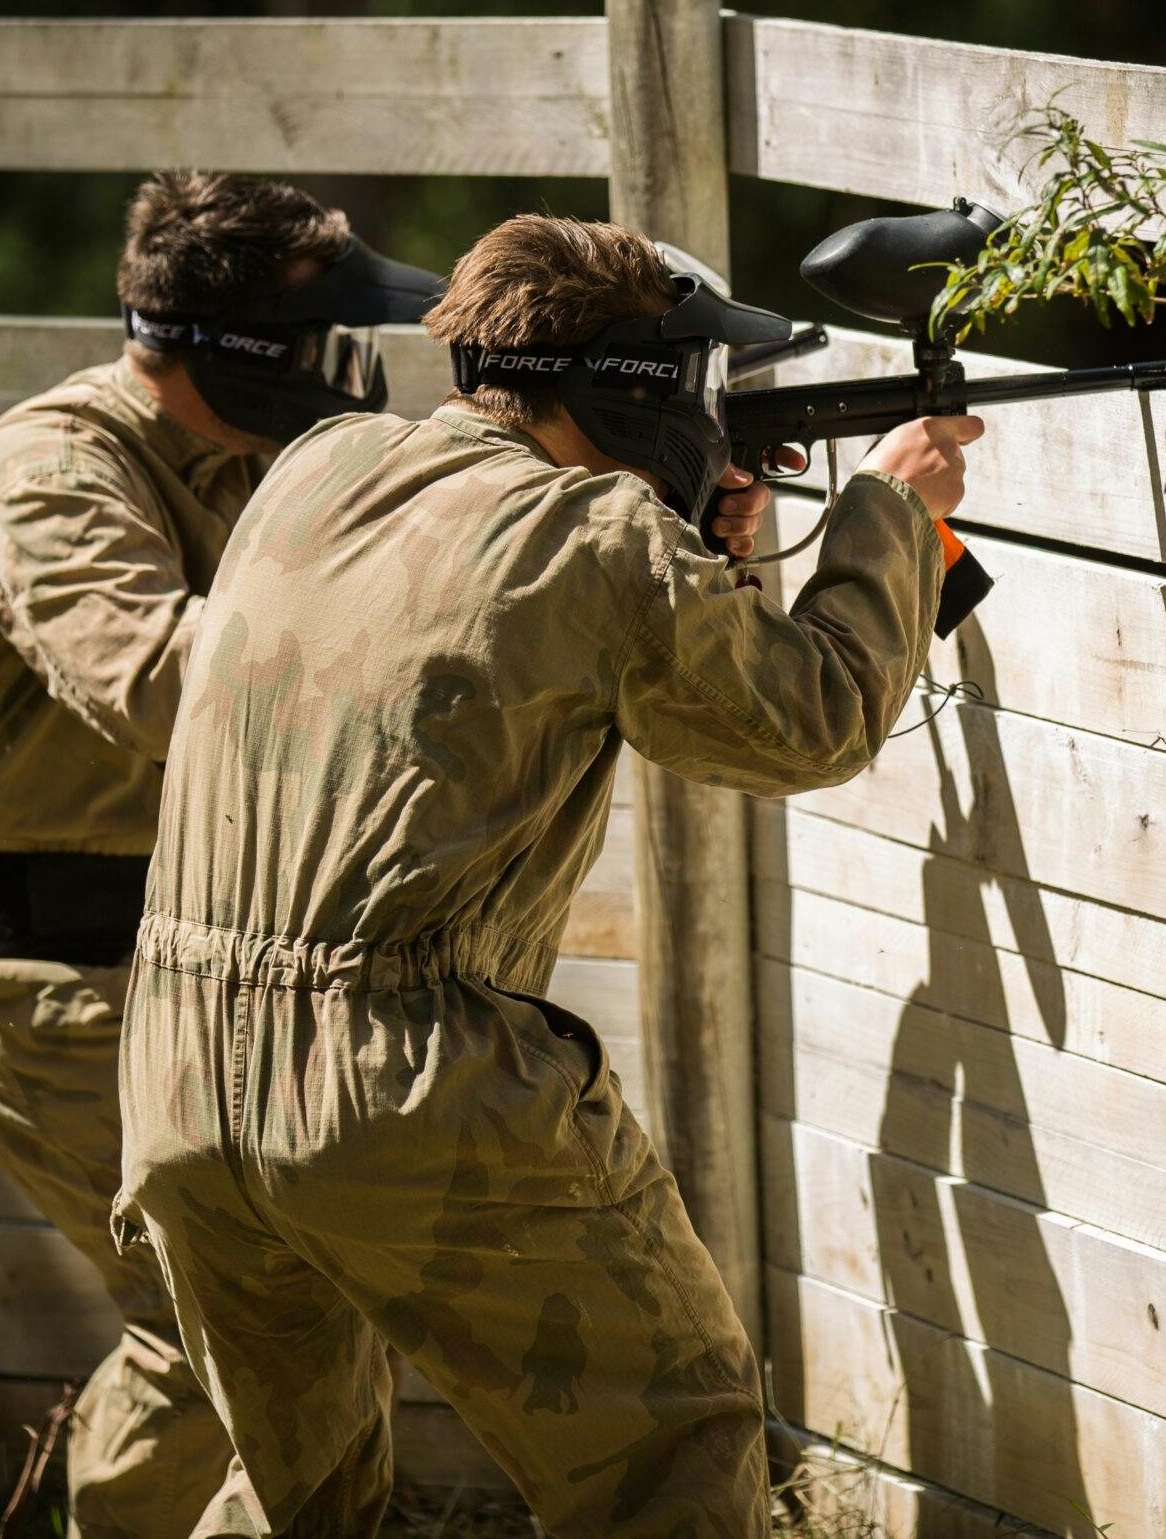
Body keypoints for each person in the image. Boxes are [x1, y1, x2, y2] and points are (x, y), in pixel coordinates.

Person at [114, 213, 982, 1534]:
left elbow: (535, 631)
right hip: (397, 1075)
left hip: (177, 1068)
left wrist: (707, 539)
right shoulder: (599, 540)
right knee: (672, 1438)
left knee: (299, 1495)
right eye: (692, 380)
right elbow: (810, 720)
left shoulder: (321, 465)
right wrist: (893, 516)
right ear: (633, 384)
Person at [0, 170, 443, 1538]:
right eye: (322, 341)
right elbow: (159, 680)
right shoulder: (52, 471)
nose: (353, 373)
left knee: (254, 1321)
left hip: (185, 965)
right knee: (235, 1322)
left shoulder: (258, 451)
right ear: (241, 350)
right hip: (44, 982)